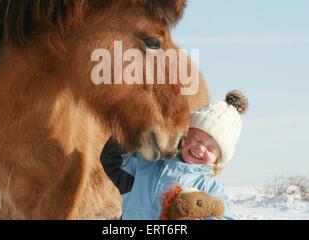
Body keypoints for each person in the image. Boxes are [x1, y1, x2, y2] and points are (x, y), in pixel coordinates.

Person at [100, 90, 249, 220]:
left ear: (218, 159)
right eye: (197, 139)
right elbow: (112, 159)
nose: (201, 148)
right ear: (183, 135)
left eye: (211, 149)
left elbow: (225, 216)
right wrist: (132, 131)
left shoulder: (209, 188)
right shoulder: (146, 165)